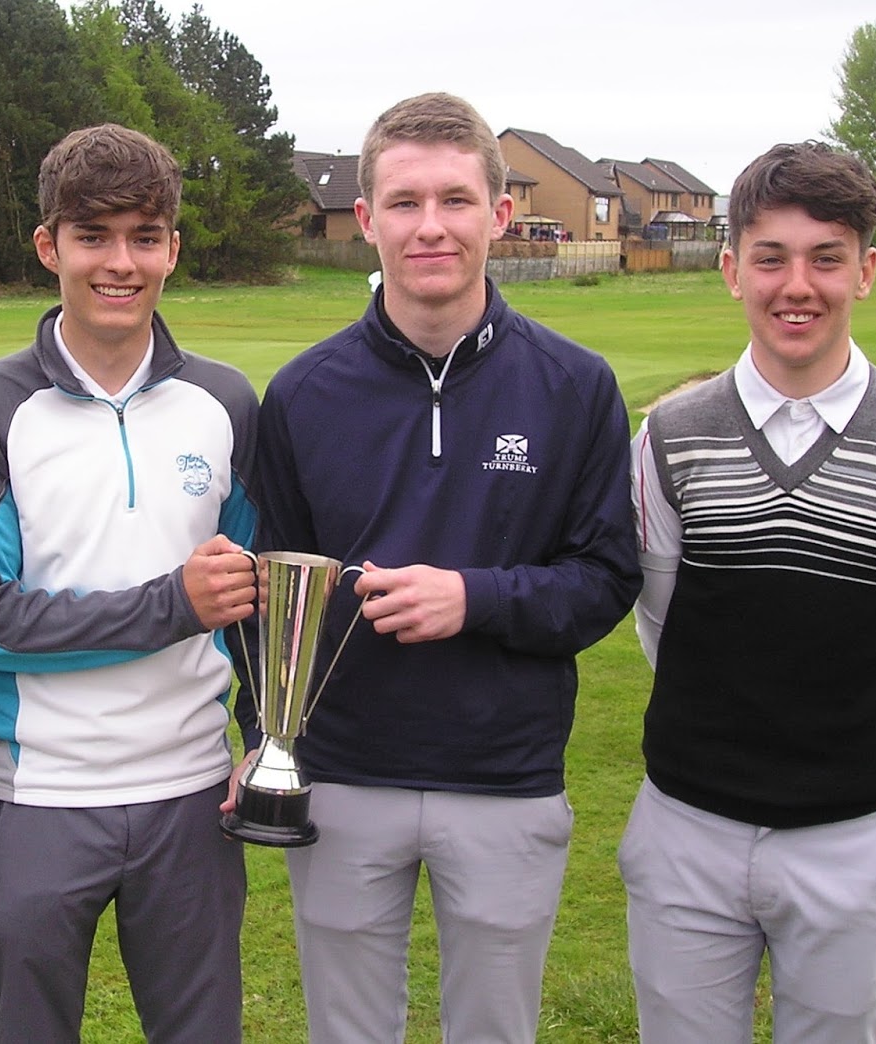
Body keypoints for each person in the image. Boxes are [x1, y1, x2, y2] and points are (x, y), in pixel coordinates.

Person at [235, 92, 642, 1043]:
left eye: (455, 201)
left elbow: (606, 578)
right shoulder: (300, 393)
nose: (431, 227)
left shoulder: (576, 387)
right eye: (405, 202)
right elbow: (267, 595)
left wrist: (476, 599)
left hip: (504, 777)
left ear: (499, 216)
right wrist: (262, 733)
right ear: (367, 218)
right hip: (339, 779)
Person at [619, 141, 876, 1043]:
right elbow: (661, 619)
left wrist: (835, 746)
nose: (799, 285)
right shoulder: (670, 437)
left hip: (850, 838)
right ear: (731, 270)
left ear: (865, 271)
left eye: (826, 258)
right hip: (686, 830)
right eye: (772, 257)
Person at [0, 123, 258, 1043]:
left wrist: (265, 737)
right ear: (49, 247)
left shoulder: (225, 402)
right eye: (94, 236)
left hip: (193, 797)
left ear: (174, 249)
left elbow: (249, 606)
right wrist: (168, 605)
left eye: (145, 236)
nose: (121, 263)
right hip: (41, 797)